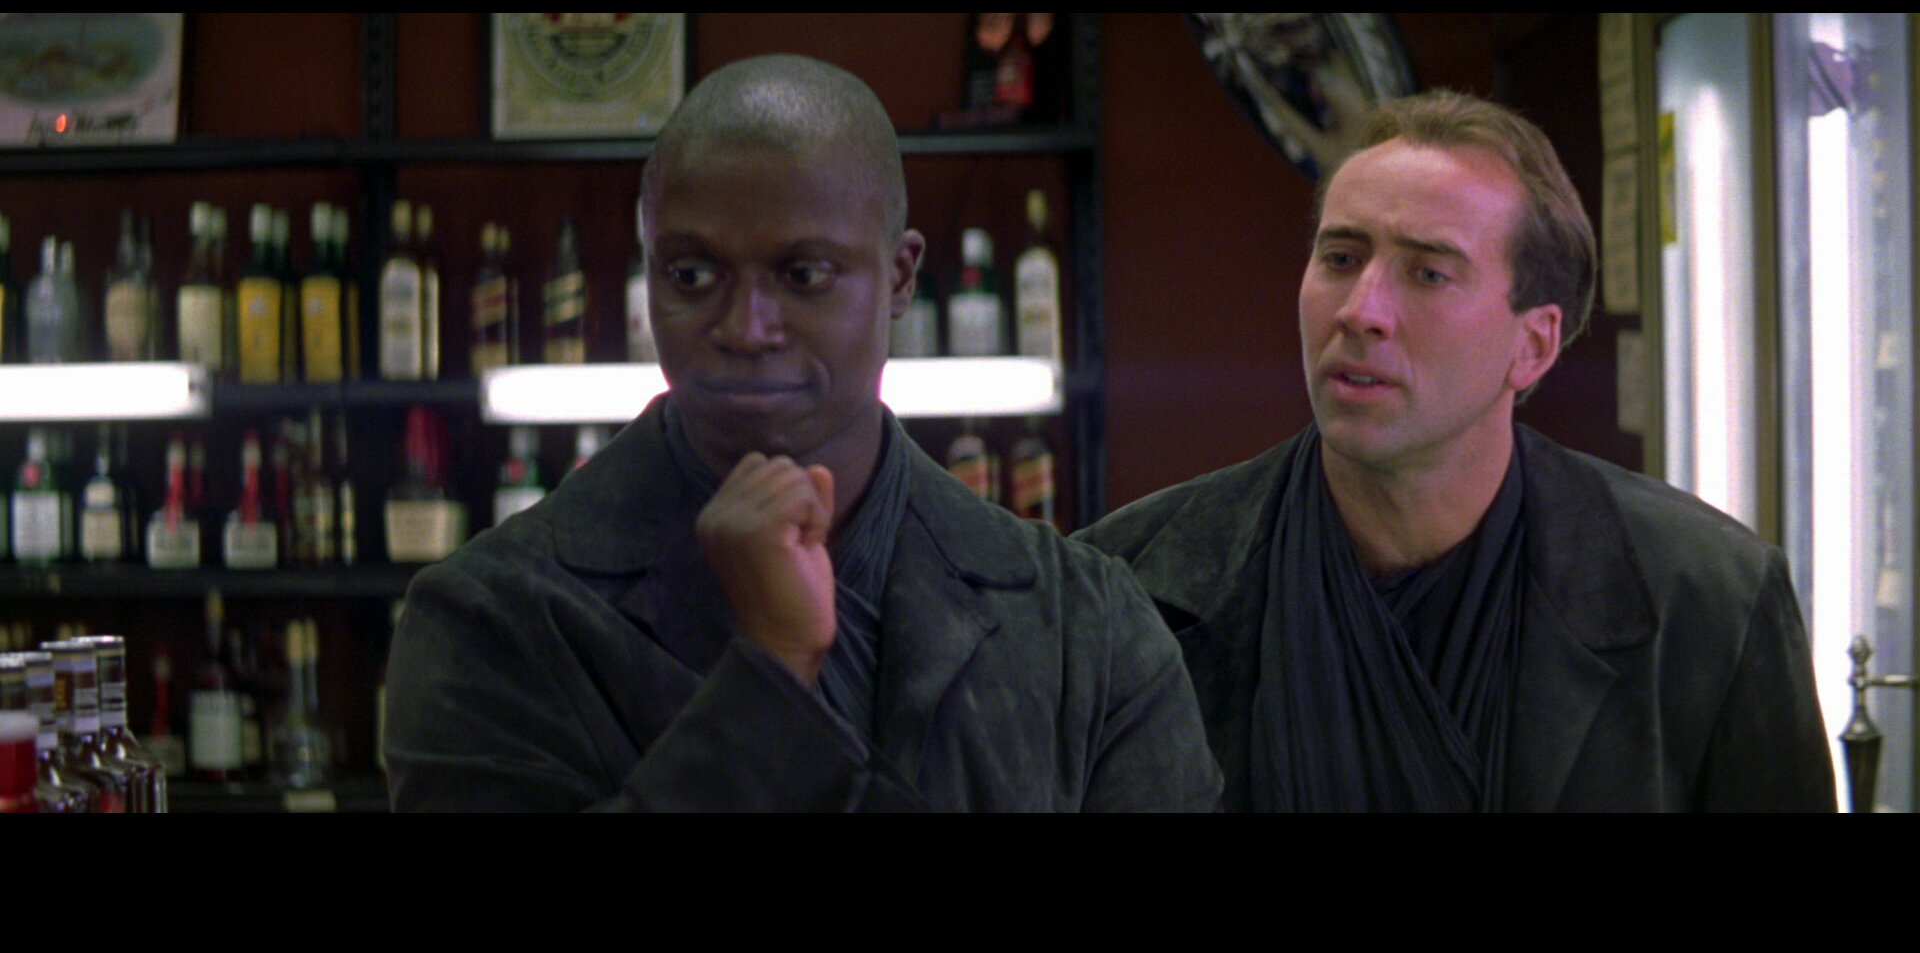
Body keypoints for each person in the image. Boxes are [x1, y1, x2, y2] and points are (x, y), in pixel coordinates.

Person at [383, 54, 1220, 812]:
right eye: (692, 274)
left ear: (900, 277)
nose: (746, 327)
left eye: (804, 274)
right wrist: (771, 675)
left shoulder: (1086, 625)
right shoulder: (490, 617)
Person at [1075, 90, 1835, 812]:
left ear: (1532, 344)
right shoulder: (1124, 588)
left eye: (1429, 272)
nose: (1360, 311)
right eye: (1340, 258)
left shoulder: (1708, 603)